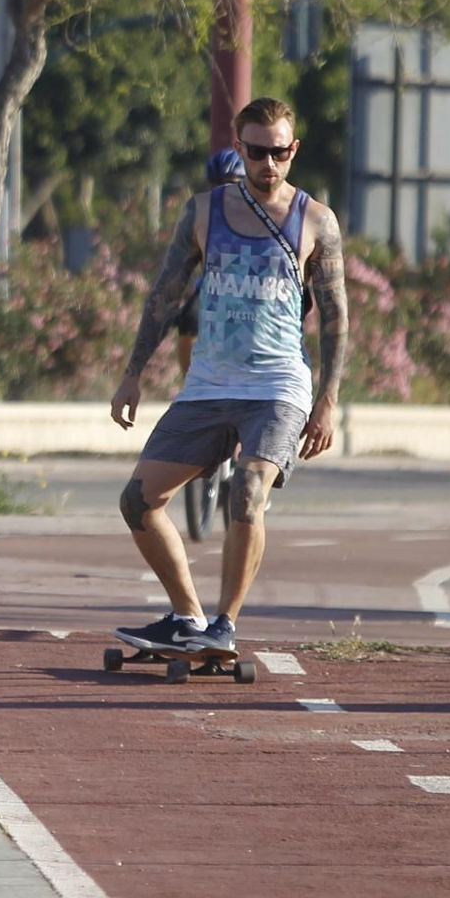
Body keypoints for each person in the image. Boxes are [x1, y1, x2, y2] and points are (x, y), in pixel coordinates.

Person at [109, 97, 349, 659]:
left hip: (278, 388)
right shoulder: (202, 213)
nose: (270, 164)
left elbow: (336, 316)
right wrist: (132, 373)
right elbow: (165, 295)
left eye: (280, 152)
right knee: (137, 500)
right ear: (240, 150)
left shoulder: (316, 220)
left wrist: (329, 400)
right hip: (210, 386)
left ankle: (225, 625)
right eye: (258, 152)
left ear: (294, 151)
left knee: (246, 491)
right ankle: (187, 617)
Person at [174, 147, 246, 540]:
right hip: (212, 288)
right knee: (186, 317)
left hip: (248, 297)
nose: (225, 192)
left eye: (232, 185)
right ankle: (190, 377)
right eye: (219, 186)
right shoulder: (205, 213)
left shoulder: (261, 211)